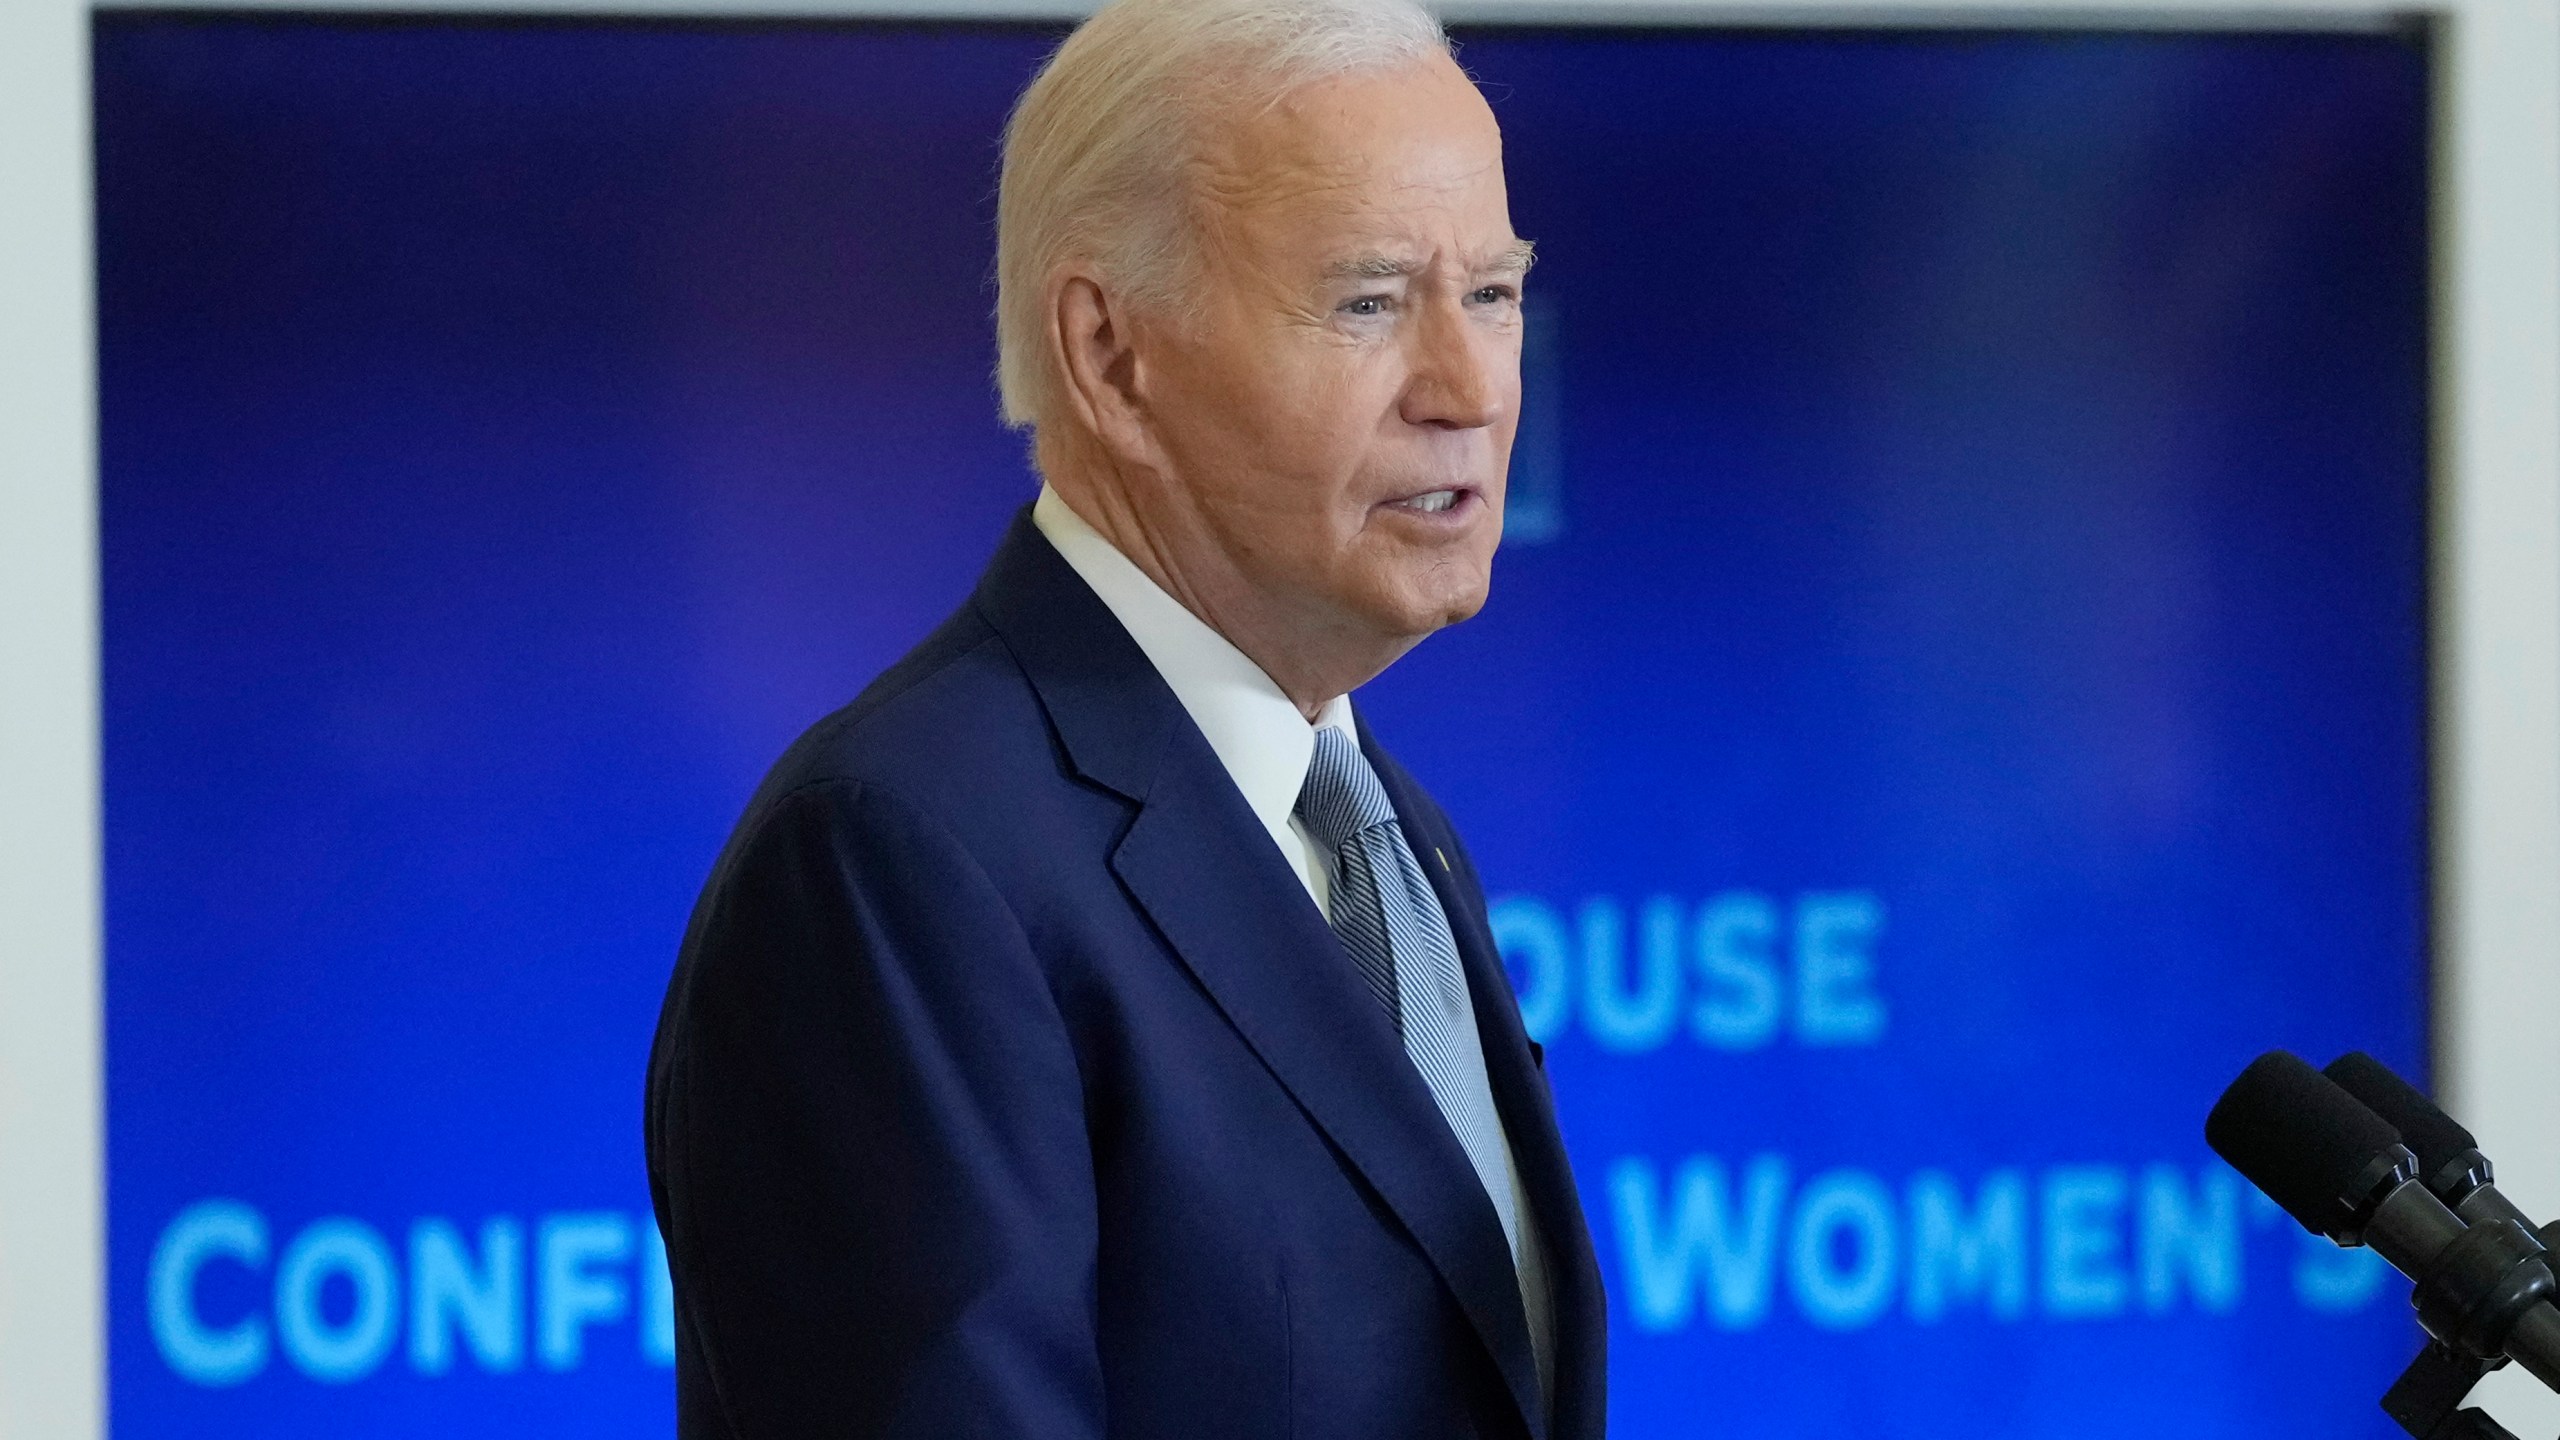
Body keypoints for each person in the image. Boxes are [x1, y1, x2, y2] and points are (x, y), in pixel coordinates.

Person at [644, 0, 1605, 1433]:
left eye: (1494, 294)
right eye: (1366, 300)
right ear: (1110, 356)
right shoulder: (898, 865)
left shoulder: (1393, 839)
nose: (1470, 389)